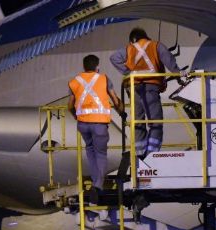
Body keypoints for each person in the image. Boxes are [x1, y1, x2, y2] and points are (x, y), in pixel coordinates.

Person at [111, 27, 188, 158]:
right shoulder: (155, 45)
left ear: (132, 40)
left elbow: (114, 58)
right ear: (145, 37)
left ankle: (140, 155)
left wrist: (128, 73)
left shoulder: (129, 49)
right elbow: (168, 60)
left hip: (134, 88)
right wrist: (178, 73)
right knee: (156, 122)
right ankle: (152, 154)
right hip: (150, 87)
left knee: (138, 122)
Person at [68, 54, 124, 204]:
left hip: (83, 124)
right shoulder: (104, 79)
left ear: (84, 67)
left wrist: (76, 116)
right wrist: (122, 113)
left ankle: (95, 181)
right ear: (97, 66)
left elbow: (70, 105)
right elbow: (115, 99)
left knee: (90, 150)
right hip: (99, 123)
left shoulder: (75, 82)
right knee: (100, 154)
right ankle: (97, 186)